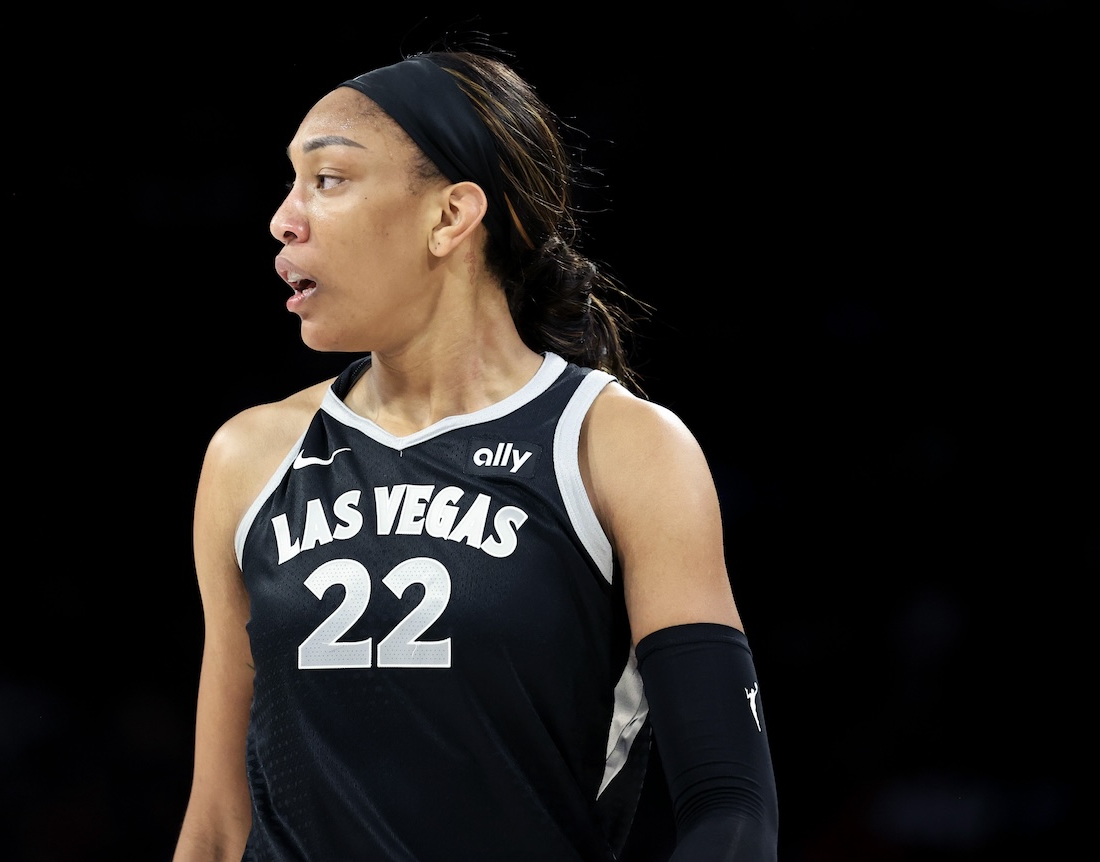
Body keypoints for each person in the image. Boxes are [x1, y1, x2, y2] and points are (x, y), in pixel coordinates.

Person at [172, 41, 778, 862]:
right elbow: (216, 823)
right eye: (289, 182)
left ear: (451, 216)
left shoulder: (616, 446)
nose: (285, 216)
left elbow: (729, 806)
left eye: (329, 179)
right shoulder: (250, 456)